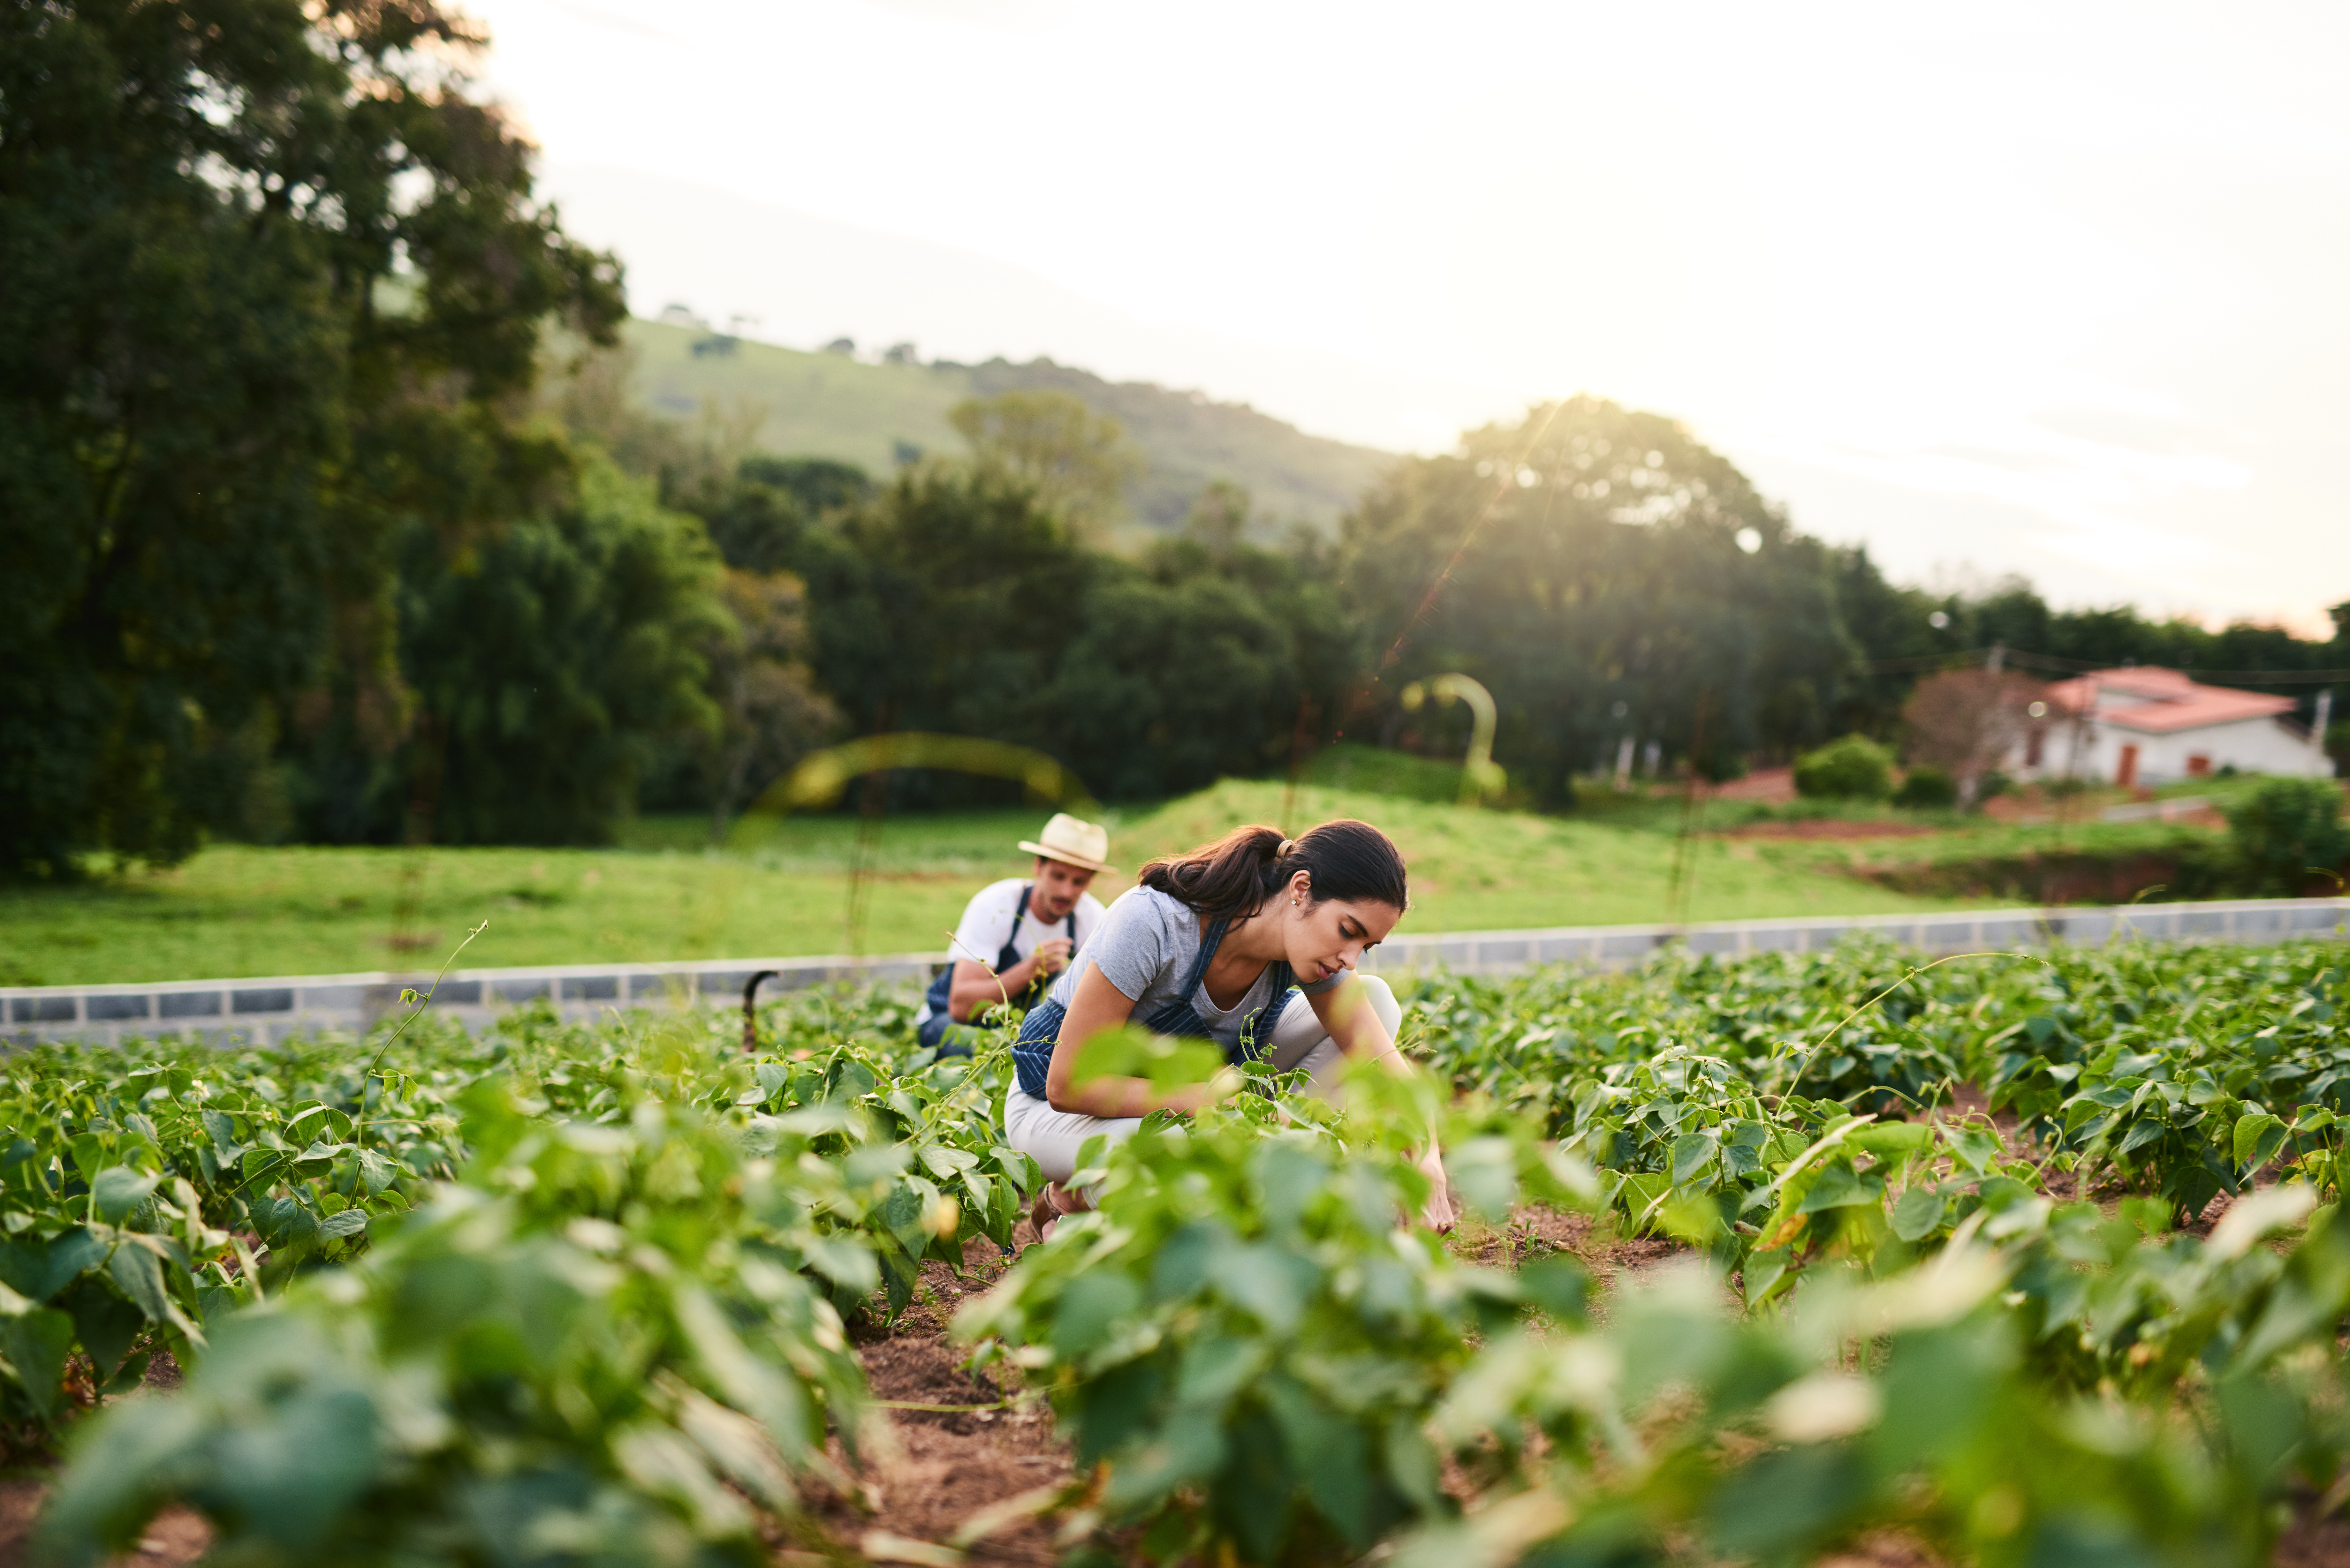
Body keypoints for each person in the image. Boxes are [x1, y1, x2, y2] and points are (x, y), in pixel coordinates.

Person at [1004, 818, 1456, 1237]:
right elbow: (1067, 1085)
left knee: (1375, 1001)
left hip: (1184, 1101)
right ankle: (1069, 1203)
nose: (1350, 958)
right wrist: (1221, 1106)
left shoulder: (1316, 953)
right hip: (1056, 1110)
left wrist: (1430, 1159)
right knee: (1174, 1149)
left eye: (1367, 945)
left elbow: (1388, 1067)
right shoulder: (1155, 922)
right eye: (1347, 930)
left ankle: (1273, 1187)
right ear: (1301, 889)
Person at [914, 812, 1114, 1055]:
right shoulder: (996, 906)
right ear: (1038, 867)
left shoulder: (1093, 919)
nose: (1066, 892)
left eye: (1079, 882)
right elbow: (961, 1006)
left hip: (1014, 1031)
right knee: (967, 1050)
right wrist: (1030, 970)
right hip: (950, 1021)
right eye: (1058, 876)